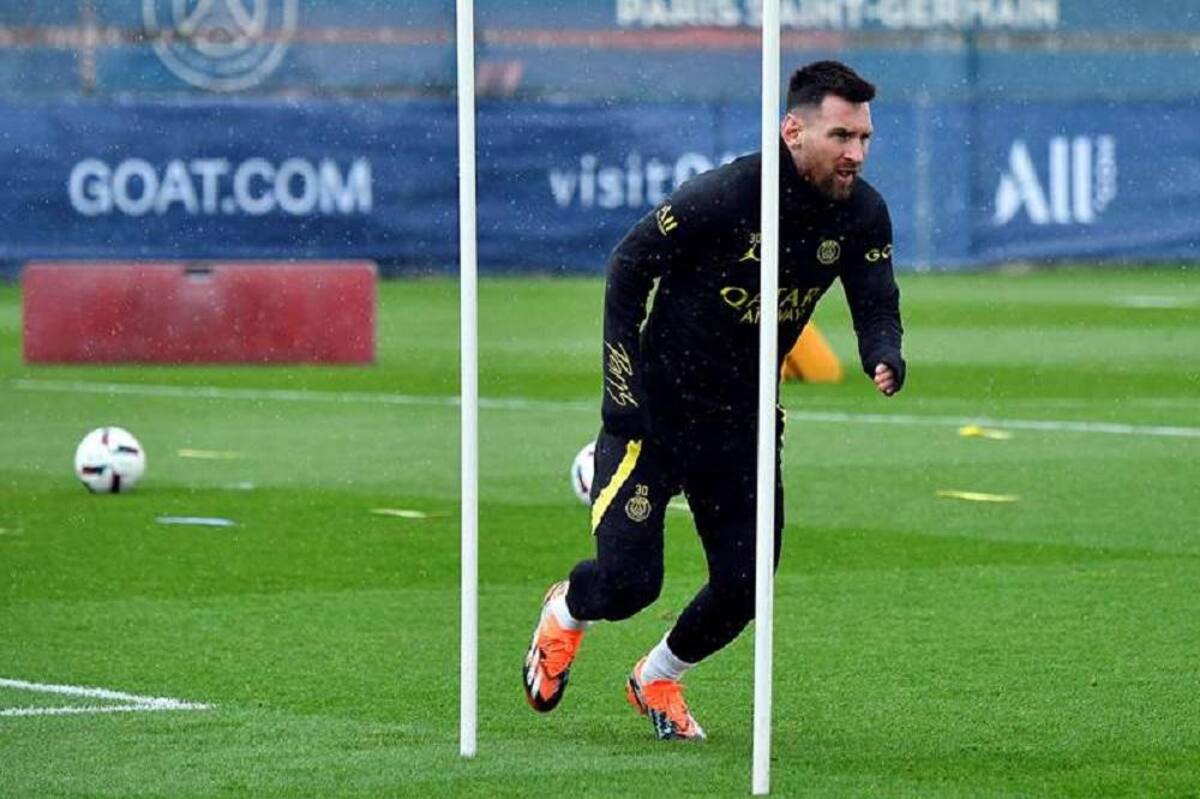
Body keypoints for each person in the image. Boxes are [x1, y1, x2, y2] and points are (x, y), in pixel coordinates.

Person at [523, 60, 905, 741]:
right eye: (842, 136)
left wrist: (884, 350)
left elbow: (876, 299)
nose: (856, 153)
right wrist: (621, 388)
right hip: (656, 417)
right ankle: (566, 613)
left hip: (746, 424)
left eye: (865, 138)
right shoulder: (729, 194)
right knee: (630, 582)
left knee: (745, 586)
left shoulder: (863, 213)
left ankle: (657, 677)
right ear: (794, 129)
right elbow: (628, 265)